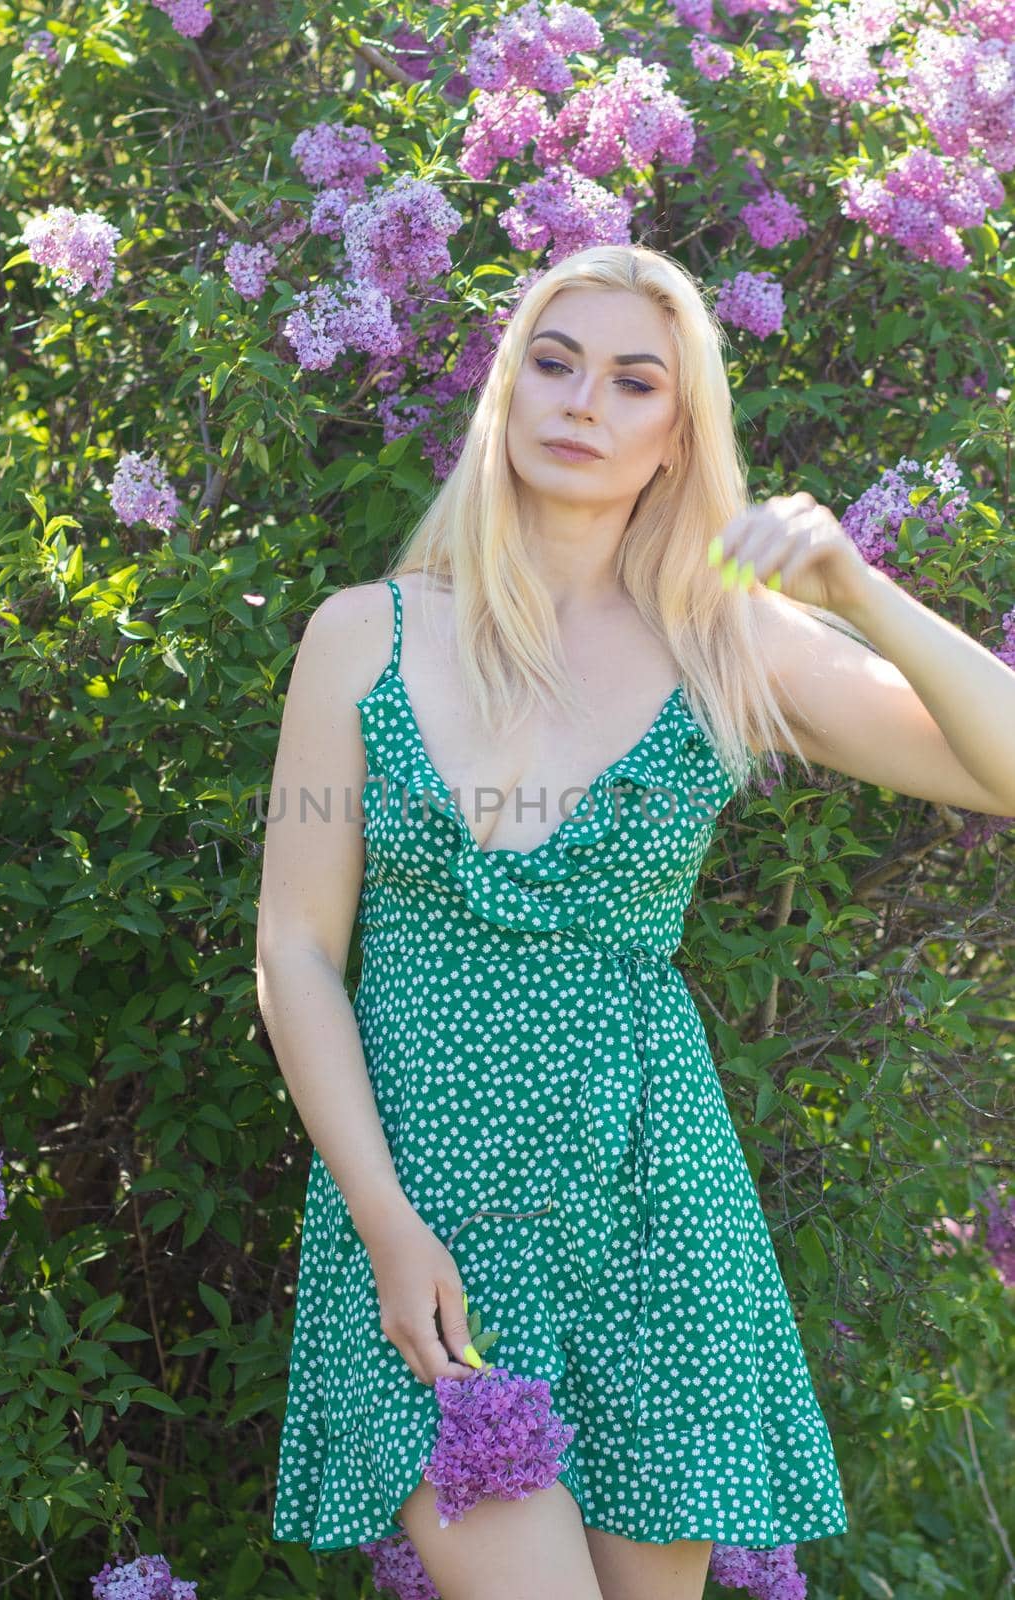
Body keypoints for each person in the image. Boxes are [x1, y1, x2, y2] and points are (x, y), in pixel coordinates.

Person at [258, 243, 1015, 1600]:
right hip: (430, 1207)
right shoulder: (362, 636)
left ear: (677, 436)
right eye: (552, 364)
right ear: (504, 393)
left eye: (631, 381)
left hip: (656, 1214)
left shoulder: (727, 645)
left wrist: (854, 589)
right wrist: (383, 1220)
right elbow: (297, 954)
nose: (581, 402)